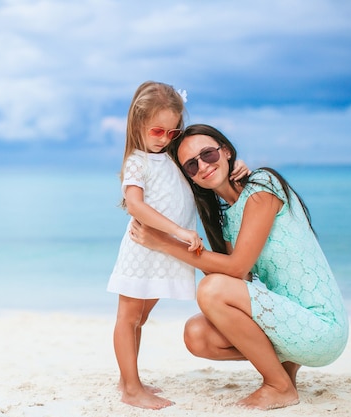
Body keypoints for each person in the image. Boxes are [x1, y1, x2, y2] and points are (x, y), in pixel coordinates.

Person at [129, 124, 349, 411]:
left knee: (210, 289)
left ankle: (278, 386)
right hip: (291, 324)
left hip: (322, 328)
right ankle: (285, 375)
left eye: (208, 154)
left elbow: (235, 268)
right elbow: (237, 279)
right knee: (197, 334)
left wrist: (165, 243)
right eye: (192, 166)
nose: (204, 166)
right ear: (190, 179)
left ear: (227, 151)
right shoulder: (227, 219)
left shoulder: (263, 185)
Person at [107, 83, 249, 410]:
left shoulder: (172, 155)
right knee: (128, 318)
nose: (165, 138)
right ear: (137, 125)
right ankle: (130, 387)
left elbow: (205, 174)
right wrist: (177, 232)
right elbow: (135, 205)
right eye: (157, 131)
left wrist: (238, 167)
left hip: (164, 252)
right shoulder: (136, 161)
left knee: (140, 319)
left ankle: (128, 378)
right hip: (143, 250)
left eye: (173, 132)